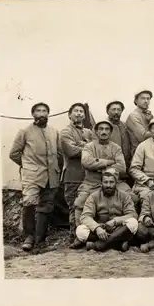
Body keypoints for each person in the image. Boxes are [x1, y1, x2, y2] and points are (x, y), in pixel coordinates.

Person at [71, 120, 136, 248]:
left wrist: (99, 167)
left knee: (133, 197)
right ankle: (76, 236)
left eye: (107, 129)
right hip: (92, 182)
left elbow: (122, 167)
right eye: (101, 129)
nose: (104, 131)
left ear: (111, 132)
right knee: (80, 201)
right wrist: (108, 162)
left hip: (114, 182)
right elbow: (86, 162)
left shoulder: (116, 147)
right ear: (96, 131)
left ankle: (131, 235)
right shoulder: (89, 146)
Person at [9, 102, 62, 251]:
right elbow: (13, 153)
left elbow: (59, 153)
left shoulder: (54, 132)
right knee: (29, 203)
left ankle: (40, 240)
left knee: (46, 206)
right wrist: (28, 166)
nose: (41, 113)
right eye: (38, 111)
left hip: (51, 175)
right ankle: (29, 237)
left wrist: (55, 168)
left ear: (48, 114)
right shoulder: (24, 131)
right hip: (32, 175)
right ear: (33, 114)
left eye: (44, 111)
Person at [75, 168, 139, 252]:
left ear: (116, 183)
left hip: (118, 229)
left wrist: (115, 221)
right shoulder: (93, 197)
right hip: (100, 230)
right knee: (80, 231)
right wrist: (97, 228)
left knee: (133, 222)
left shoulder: (124, 196)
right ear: (101, 183)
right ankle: (117, 244)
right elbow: (85, 217)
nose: (108, 185)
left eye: (111, 182)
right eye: (105, 182)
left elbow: (132, 214)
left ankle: (100, 245)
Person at [60, 103, 97, 240]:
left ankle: (86, 236)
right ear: (69, 114)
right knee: (74, 206)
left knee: (88, 206)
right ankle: (74, 237)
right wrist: (88, 147)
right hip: (73, 175)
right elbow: (71, 151)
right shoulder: (65, 132)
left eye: (81, 111)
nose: (79, 114)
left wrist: (82, 145)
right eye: (76, 111)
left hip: (88, 176)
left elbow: (97, 148)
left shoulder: (89, 132)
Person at [126, 88, 154, 154]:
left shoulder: (148, 114)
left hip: (149, 150)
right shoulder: (133, 116)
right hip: (138, 153)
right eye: (143, 98)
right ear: (136, 101)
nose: (146, 101)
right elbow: (144, 137)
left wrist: (150, 120)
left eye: (148, 99)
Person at [106, 100, 132, 169]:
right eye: (113, 109)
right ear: (108, 111)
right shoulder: (102, 126)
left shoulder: (124, 126)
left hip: (125, 164)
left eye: (119, 110)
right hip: (110, 165)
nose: (116, 112)